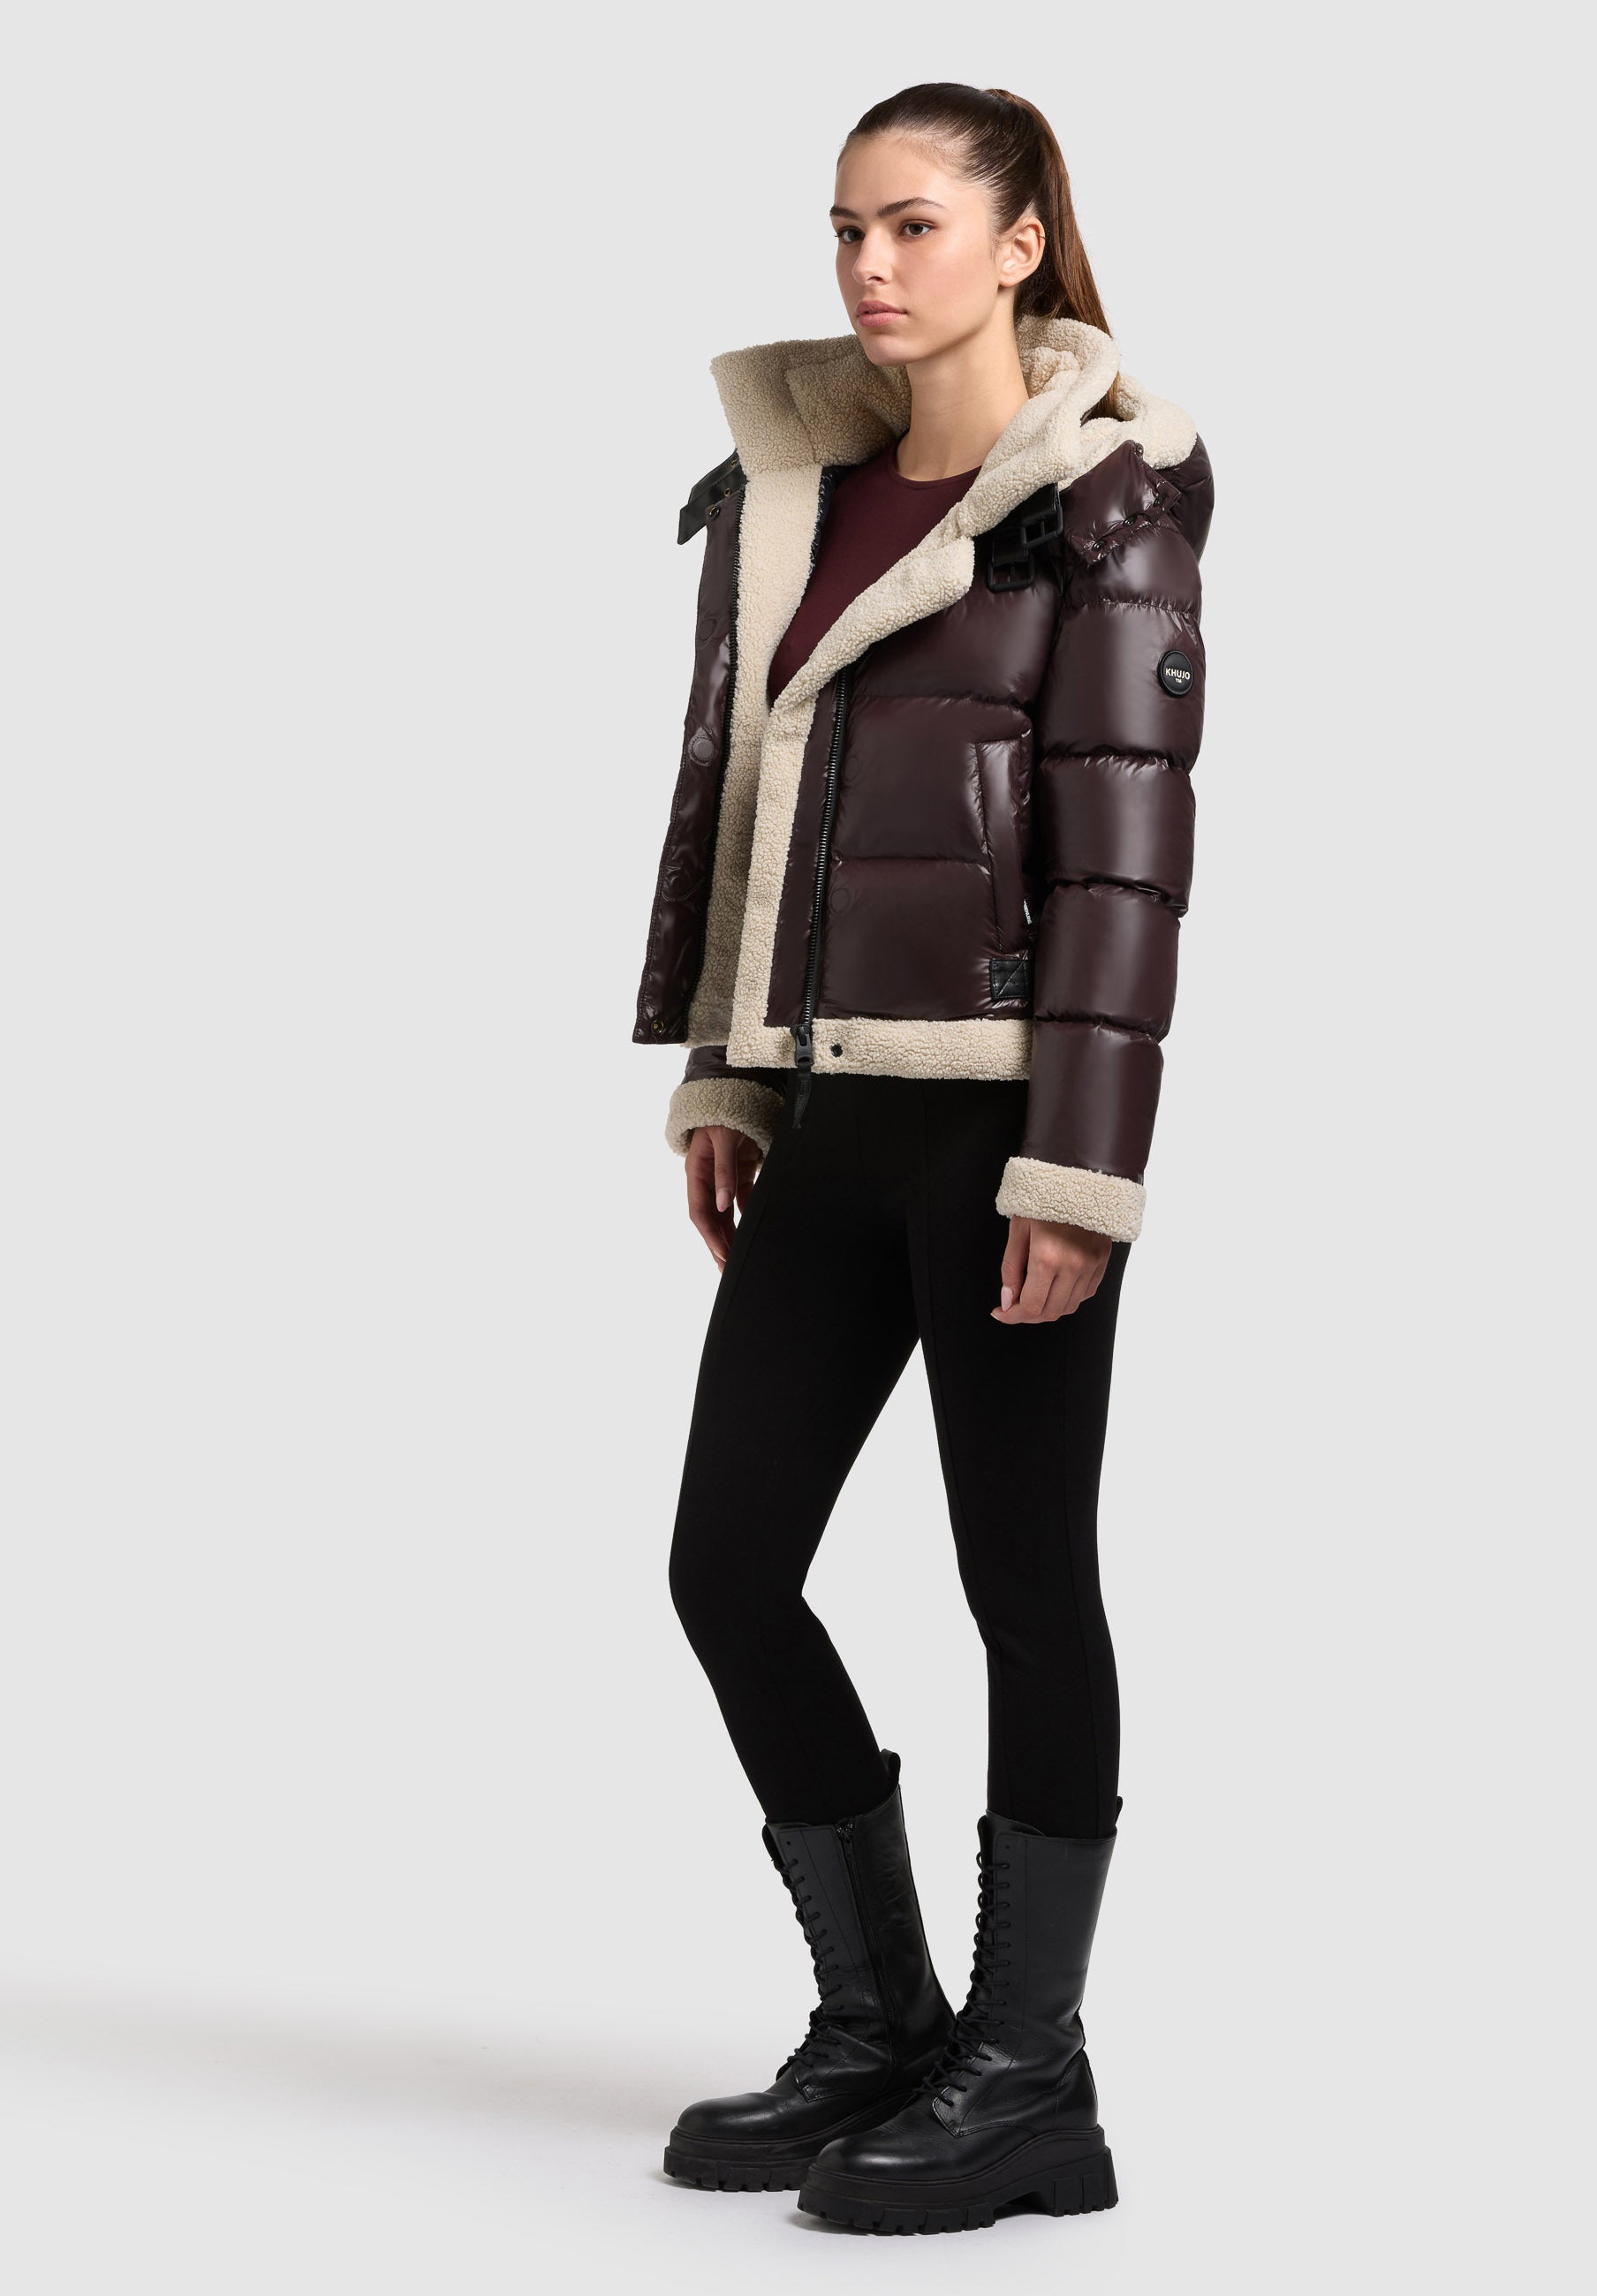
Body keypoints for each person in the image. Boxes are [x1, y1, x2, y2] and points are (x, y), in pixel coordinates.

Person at [630, 80, 1213, 2236]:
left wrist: (1077, 1170)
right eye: (845, 228)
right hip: (831, 1107)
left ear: (1021, 242)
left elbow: (1125, 866)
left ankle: (1032, 2074)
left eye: (915, 226)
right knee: (726, 1565)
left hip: (1001, 1128)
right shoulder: (794, 494)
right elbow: (744, 805)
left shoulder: (1104, 506)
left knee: (1022, 1585)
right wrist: (728, 1075)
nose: (870, 266)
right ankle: (882, 2019)